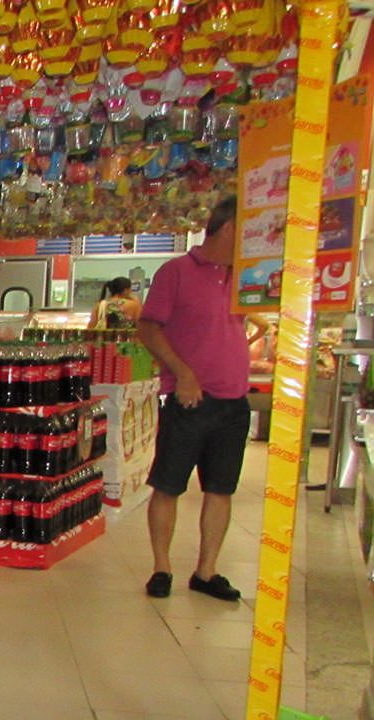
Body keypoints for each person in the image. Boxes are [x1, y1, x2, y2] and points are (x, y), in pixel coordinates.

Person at [137, 195, 251, 602]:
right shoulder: (176, 272)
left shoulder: (247, 277)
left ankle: (206, 571)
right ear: (230, 228)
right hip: (188, 400)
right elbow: (148, 329)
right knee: (168, 485)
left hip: (235, 401)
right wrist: (183, 373)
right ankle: (161, 567)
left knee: (221, 488)